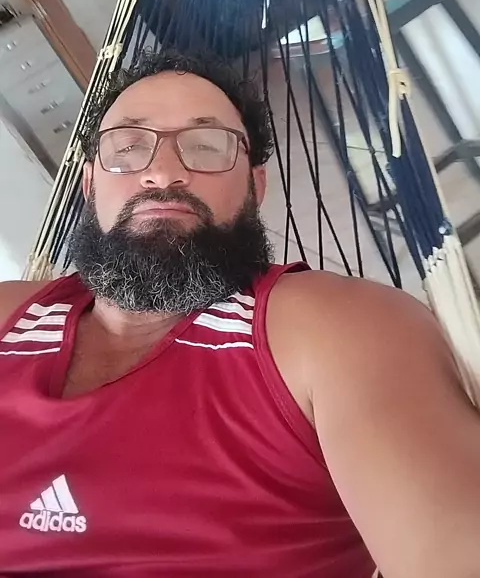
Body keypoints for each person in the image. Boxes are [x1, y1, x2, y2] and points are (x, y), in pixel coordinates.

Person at [0, 50, 479, 578]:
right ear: (90, 185)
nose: (162, 172)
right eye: (129, 146)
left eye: (206, 146)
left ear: (256, 186)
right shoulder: (8, 312)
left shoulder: (331, 331)